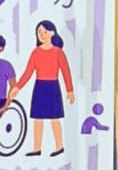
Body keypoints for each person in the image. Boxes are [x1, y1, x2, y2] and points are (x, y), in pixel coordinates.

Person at [7, 20, 74, 157]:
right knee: (38, 119)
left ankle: (59, 146)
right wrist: (17, 88)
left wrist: (70, 90)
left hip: (53, 88)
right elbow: (28, 72)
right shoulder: (36, 53)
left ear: (52, 33)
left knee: (54, 118)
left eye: (44, 32)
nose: (42, 34)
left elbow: (66, 72)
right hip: (39, 87)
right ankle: (37, 148)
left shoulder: (58, 52)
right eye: (39, 32)